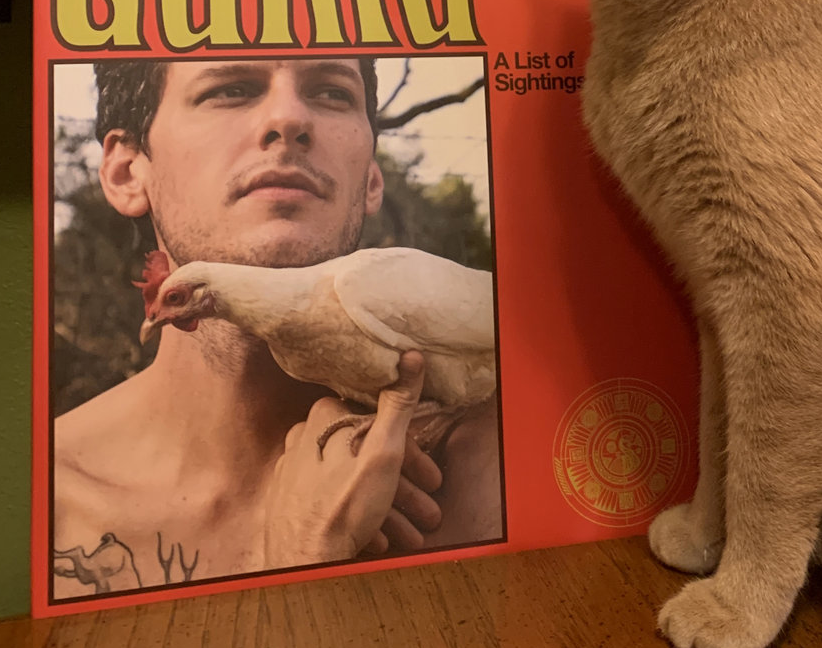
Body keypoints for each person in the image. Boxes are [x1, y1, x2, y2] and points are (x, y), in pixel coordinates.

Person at [51, 56, 503, 598]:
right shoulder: (41, 500)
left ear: (371, 178)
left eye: (333, 92)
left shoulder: (504, 464)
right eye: (231, 88)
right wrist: (303, 563)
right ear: (127, 172)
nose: (289, 117)